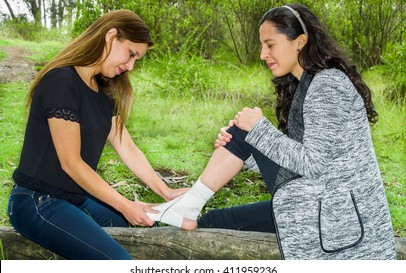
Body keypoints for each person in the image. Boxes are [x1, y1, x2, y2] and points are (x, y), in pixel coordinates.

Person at [147, 4, 397, 259]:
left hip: (340, 222)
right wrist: (247, 149)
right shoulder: (305, 85)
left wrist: (257, 131)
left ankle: (187, 205)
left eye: (270, 44)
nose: (262, 54)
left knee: (244, 133)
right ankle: (188, 207)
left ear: (300, 41)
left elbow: (313, 164)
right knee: (216, 217)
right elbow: (294, 161)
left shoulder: (327, 85)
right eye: (262, 45)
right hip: (317, 205)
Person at [7, 10, 188, 260]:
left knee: (149, 234)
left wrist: (165, 191)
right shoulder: (61, 81)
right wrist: (125, 205)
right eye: (131, 54)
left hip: (75, 199)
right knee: (121, 264)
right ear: (111, 36)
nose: (131, 66)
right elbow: (71, 163)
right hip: (38, 202)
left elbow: (127, 147)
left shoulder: (104, 91)